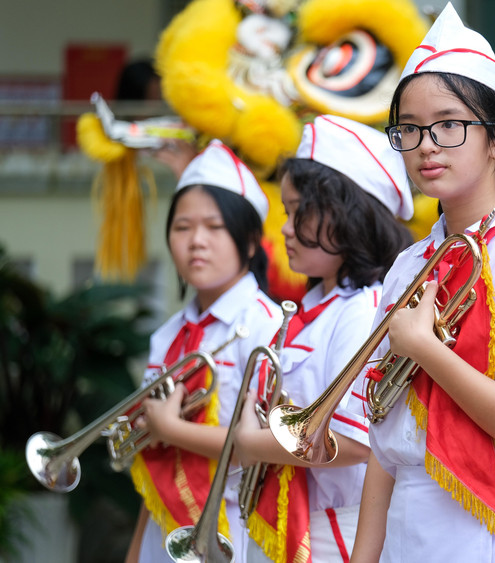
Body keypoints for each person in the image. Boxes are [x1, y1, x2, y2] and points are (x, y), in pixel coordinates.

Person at [349, 4, 495, 562]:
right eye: (409, 129)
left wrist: (425, 349)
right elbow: (384, 444)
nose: (426, 144)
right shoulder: (407, 266)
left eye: (449, 125)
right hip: (407, 527)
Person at [233, 114, 414, 563]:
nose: (286, 229)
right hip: (292, 525)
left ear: (345, 214)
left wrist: (245, 442)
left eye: (299, 212)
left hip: (336, 537)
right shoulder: (314, 307)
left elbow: (354, 441)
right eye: (287, 212)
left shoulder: (364, 308)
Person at [125, 139, 284, 563]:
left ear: (251, 242)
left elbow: (272, 446)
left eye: (214, 228)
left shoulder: (268, 326)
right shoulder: (167, 336)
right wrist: (136, 551)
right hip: (162, 535)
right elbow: (156, 455)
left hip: (238, 531)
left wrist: (170, 428)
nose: (197, 241)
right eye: (182, 227)